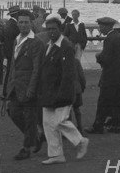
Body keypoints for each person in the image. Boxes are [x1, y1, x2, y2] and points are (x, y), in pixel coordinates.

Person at [38, 14, 89, 164]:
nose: (51, 32)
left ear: (60, 29)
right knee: (48, 123)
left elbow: (68, 74)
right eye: (48, 29)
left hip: (62, 92)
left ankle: (80, 141)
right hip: (48, 92)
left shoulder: (65, 46)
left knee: (59, 122)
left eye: (54, 29)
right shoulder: (49, 45)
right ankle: (56, 155)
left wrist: (63, 94)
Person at [2, 10, 45, 160]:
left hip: (28, 88)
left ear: (31, 23)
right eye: (20, 22)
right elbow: (13, 66)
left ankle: (26, 148)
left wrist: (31, 89)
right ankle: (36, 136)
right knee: (13, 113)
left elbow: (37, 68)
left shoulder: (36, 43)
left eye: (26, 22)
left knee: (29, 118)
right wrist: (7, 87)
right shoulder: (16, 39)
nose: (23, 25)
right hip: (15, 86)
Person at [85, 17, 120, 134]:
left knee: (103, 101)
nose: (99, 29)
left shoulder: (109, 39)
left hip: (110, 75)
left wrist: (98, 57)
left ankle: (98, 126)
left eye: (100, 26)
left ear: (107, 26)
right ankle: (116, 124)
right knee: (118, 100)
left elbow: (106, 58)